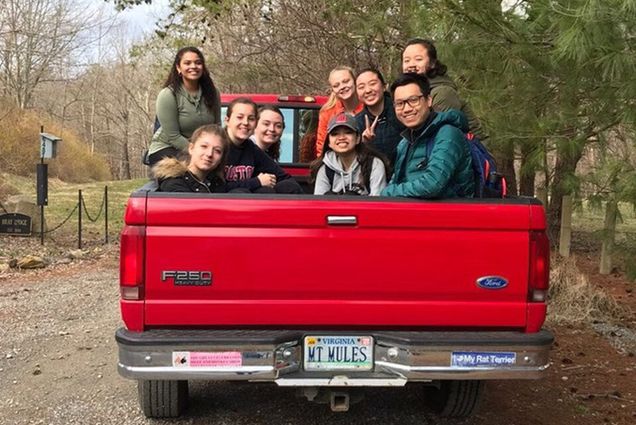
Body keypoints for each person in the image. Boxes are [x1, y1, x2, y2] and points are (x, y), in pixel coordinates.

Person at [381, 73, 474, 199]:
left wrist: (387, 192)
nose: (406, 109)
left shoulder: (448, 134)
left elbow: (433, 184)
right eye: (400, 103)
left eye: (413, 100)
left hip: (451, 215)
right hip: (414, 214)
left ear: (429, 100)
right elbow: (396, 181)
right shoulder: (405, 142)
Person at [147, 47, 221, 166]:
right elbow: (173, 136)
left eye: (198, 63)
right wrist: (198, 153)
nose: (193, 66)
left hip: (201, 150)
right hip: (167, 148)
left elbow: (217, 127)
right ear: (178, 68)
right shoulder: (168, 94)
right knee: (192, 172)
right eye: (187, 63)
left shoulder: (213, 93)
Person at [402, 38, 485, 140]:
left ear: (432, 63)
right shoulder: (410, 92)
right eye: (406, 60)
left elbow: (445, 136)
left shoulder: (442, 93)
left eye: (418, 59)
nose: (411, 65)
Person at [224, 98, 303, 193]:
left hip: (249, 201)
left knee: (282, 187)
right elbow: (215, 188)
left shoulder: (251, 148)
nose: (245, 123)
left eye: (251, 119)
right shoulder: (217, 145)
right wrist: (257, 181)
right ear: (227, 120)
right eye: (239, 117)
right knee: (240, 193)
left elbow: (283, 177)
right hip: (219, 204)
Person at [312, 113, 388, 196]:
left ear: (358, 138)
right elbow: (319, 205)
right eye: (335, 134)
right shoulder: (325, 170)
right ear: (329, 142)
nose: (341, 137)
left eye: (348, 132)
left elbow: (378, 205)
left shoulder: (374, 165)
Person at [153, 124, 228, 193]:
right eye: (204, 146)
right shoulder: (173, 184)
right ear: (191, 148)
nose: (209, 154)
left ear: (221, 158)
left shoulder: (217, 184)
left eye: (217, 151)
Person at [355, 68, 404, 166]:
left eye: (372, 83)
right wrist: (364, 144)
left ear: (384, 86)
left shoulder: (401, 110)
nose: (368, 90)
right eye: (361, 87)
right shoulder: (357, 122)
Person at [315, 66, 364, 158]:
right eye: (336, 85)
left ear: (355, 81)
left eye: (346, 81)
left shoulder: (368, 106)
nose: (342, 87)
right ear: (332, 90)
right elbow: (321, 146)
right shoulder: (327, 112)